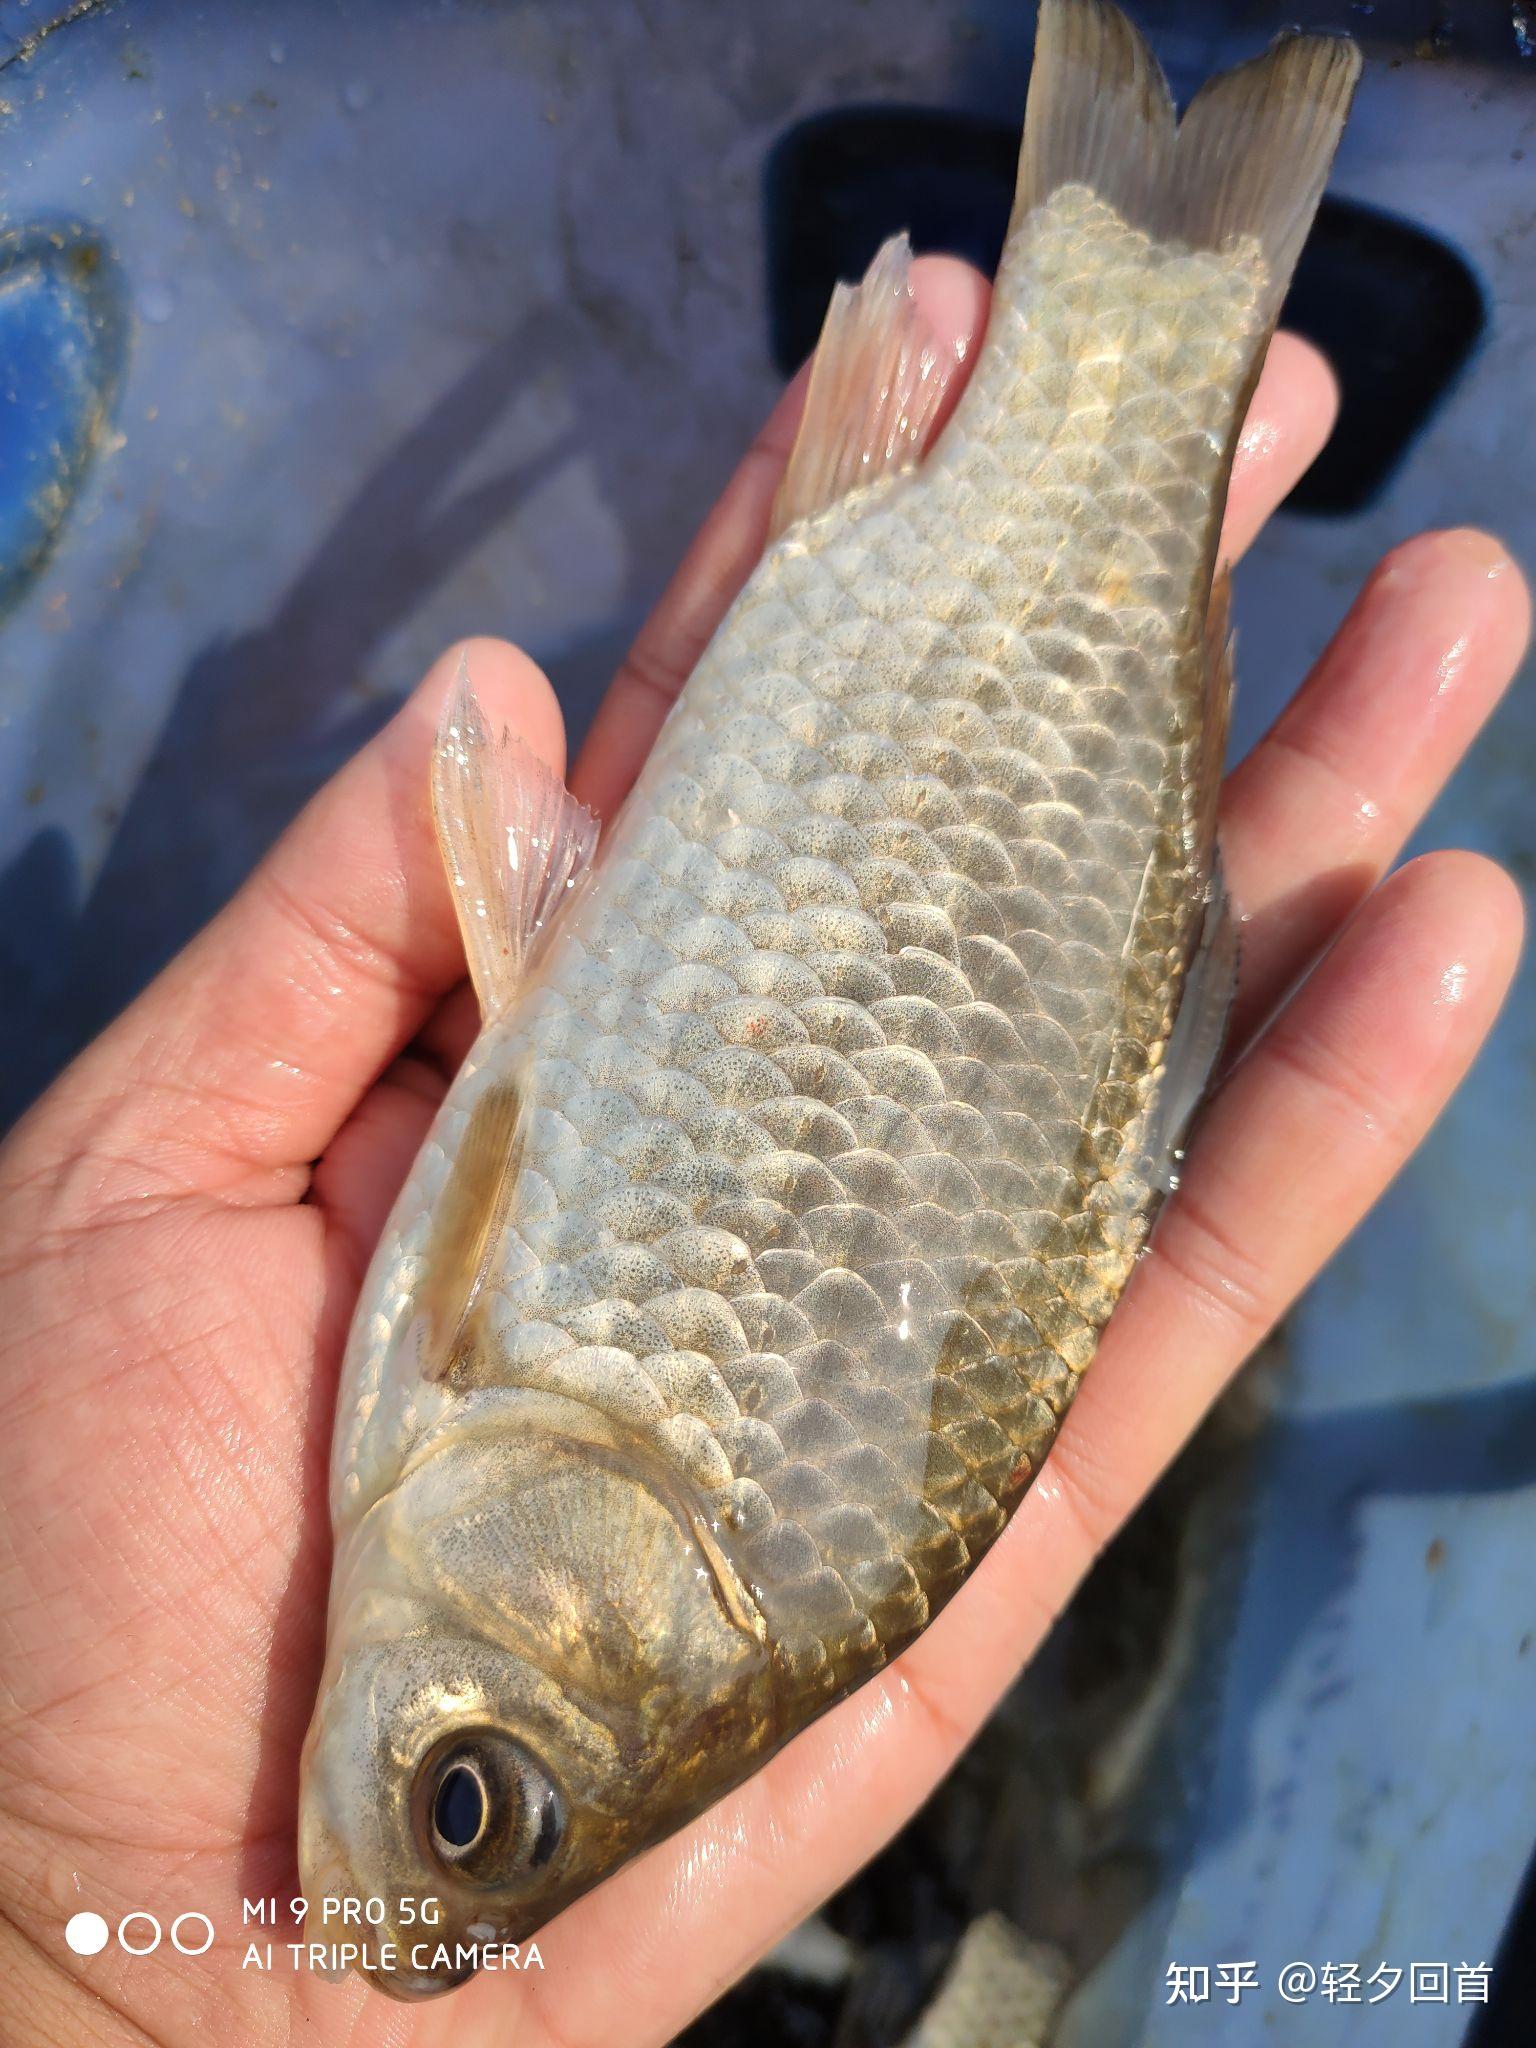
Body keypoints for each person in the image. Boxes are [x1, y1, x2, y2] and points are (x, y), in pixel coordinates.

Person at [0, 256, 1526, 2047]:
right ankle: (1158, 289)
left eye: (468, 1805)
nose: (410, 1877)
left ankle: (1146, 295)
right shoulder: (478, 1414)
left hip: (906, 770)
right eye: (468, 1801)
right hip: (928, 772)